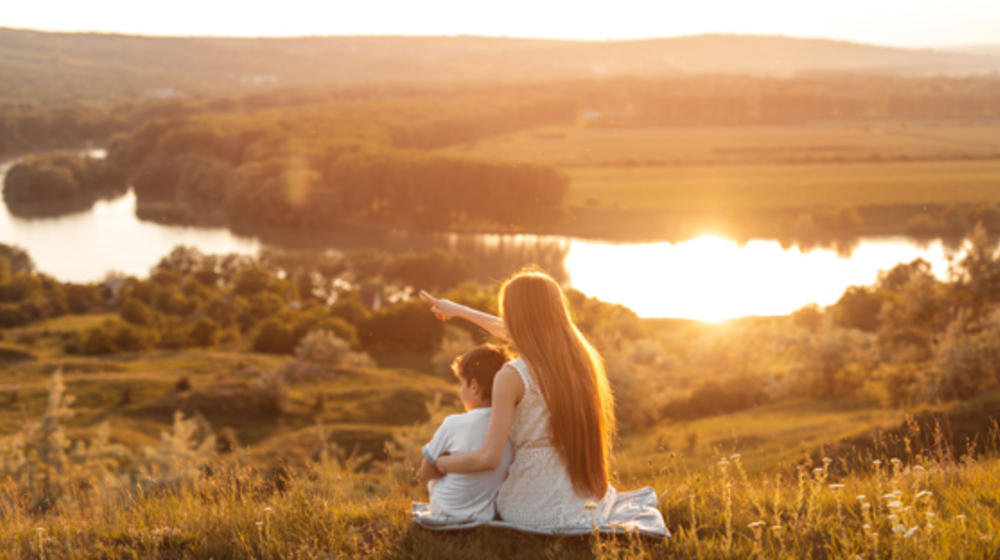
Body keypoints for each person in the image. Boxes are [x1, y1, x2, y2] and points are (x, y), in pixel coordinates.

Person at [420, 271, 617, 529]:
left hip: (530, 507)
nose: (504, 321)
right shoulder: (582, 360)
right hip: (589, 501)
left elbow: (488, 458)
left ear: (517, 318)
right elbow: (517, 332)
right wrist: (457, 310)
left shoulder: (511, 376)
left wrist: (442, 464)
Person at [418, 344, 513, 523]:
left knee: (435, 479)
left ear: (474, 386)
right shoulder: (512, 424)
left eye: (462, 384)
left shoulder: (453, 423)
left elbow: (425, 473)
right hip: (485, 515)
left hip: (446, 509)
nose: (460, 391)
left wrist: (443, 463)